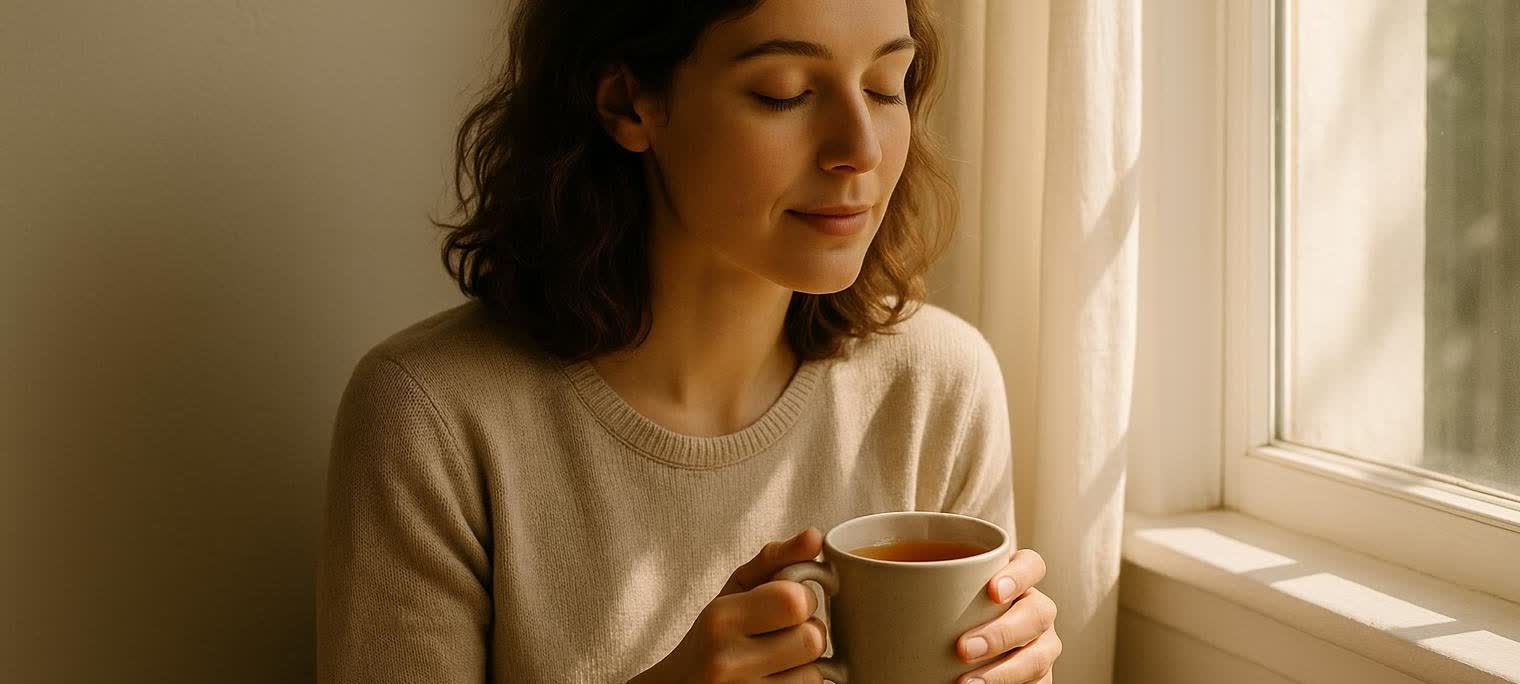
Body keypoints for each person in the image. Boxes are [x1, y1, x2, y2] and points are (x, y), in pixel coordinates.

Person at [315, 0, 1061, 682]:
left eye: (885, 85)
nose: (859, 149)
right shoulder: (434, 417)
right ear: (626, 102)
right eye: (785, 92)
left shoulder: (938, 383)